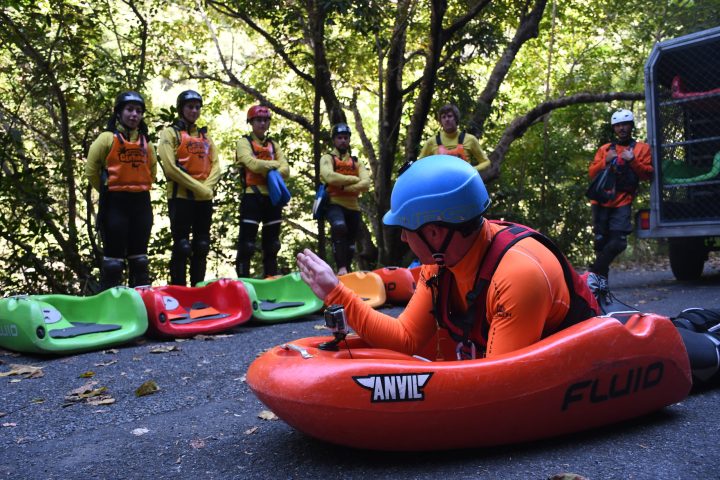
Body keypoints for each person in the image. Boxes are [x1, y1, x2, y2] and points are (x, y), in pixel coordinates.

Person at [298, 155, 599, 359]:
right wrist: (335, 293)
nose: (403, 238)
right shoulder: (440, 264)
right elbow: (406, 338)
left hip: (579, 363)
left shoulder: (518, 276)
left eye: (405, 229)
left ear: (434, 233)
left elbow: (498, 386)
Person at [86, 91, 157, 290]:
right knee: (113, 262)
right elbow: (91, 170)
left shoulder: (146, 143)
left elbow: (152, 170)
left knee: (140, 260)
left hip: (141, 203)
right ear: (119, 112)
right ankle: (110, 306)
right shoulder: (106, 139)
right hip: (115, 203)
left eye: (138, 111)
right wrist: (108, 190)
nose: (134, 115)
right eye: (129, 110)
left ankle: (142, 306)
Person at [157, 90, 221, 286]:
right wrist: (199, 188)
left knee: (201, 246)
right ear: (181, 109)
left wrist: (206, 189)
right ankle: (178, 289)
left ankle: (198, 288)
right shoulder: (170, 133)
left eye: (197, 107)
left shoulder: (205, 137)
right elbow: (170, 167)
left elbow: (216, 165)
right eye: (189, 107)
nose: (194, 111)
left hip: (204, 200)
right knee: (182, 246)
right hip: (180, 198)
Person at [587, 109, 653, 287]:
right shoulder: (605, 149)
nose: (621, 128)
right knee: (601, 242)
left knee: (618, 242)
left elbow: (648, 174)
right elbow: (592, 173)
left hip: (623, 201)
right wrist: (605, 161)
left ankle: (593, 273)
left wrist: (633, 160)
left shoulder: (642, 149)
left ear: (631, 126)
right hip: (601, 201)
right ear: (614, 128)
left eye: (625, 124)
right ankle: (601, 283)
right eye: (618, 125)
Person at [235, 105, 290, 278]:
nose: (262, 123)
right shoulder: (244, 143)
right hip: (252, 196)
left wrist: (267, 168)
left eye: (265, 120)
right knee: (247, 245)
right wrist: (274, 167)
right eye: (258, 120)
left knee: (272, 244)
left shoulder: (274, 145)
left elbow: (286, 170)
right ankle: (243, 282)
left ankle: (271, 278)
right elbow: (250, 163)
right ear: (251, 122)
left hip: (273, 197)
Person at [319, 123, 371, 275]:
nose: (343, 141)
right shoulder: (327, 158)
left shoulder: (357, 162)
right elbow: (328, 176)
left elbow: (366, 183)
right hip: (334, 203)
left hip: (353, 207)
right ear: (334, 140)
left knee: (351, 244)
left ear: (349, 140)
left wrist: (343, 186)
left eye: (345, 138)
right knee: (339, 227)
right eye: (339, 138)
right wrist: (353, 180)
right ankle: (341, 268)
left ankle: (347, 271)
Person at [418, 104, 490, 172]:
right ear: (441, 122)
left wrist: (472, 170)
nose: (447, 119)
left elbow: (486, 162)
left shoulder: (470, 139)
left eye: (450, 116)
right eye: (443, 117)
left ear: (456, 119)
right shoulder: (431, 142)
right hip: (439, 183)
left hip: (464, 182)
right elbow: (419, 165)